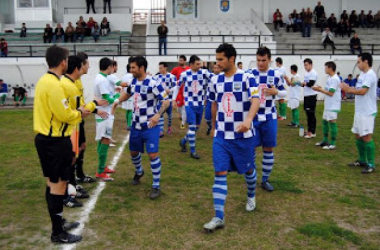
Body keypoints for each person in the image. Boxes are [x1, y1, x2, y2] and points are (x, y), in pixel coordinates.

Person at [34, 45, 90, 243]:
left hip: (48, 140)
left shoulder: (44, 80)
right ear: (63, 62)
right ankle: (58, 232)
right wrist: (81, 113)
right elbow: (65, 115)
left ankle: (59, 224)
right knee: (58, 187)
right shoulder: (55, 85)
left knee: (53, 184)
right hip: (55, 142)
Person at [203, 43, 260, 232]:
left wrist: (249, 120)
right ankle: (218, 216)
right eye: (216, 59)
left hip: (242, 136)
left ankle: (251, 194)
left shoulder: (247, 77)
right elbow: (213, 104)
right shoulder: (215, 80)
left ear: (231, 59)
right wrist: (212, 126)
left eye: (220, 59)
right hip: (221, 135)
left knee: (248, 171)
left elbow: (256, 99)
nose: (217, 63)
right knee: (219, 172)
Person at [113, 56, 170, 199]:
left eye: (133, 67)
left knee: (152, 154)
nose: (131, 70)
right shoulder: (133, 81)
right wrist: (118, 100)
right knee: (133, 152)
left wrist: (158, 115)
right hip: (135, 125)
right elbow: (128, 93)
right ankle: (139, 172)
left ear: (142, 68)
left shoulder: (154, 83)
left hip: (150, 125)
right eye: (130, 67)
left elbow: (166, 101)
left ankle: (156, 185)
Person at [246, 47, 286, 192]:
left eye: (263, 60)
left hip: (270, 117)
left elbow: (284, 92)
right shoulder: (249, 74)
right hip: (254, 117)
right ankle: (253, 177)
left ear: (270, 60)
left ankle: (265, 179)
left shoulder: (276, 74)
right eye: (258, 60)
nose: (260, 63)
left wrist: (277, 92)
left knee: (268, 148)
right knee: (251, 148)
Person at [340, 53, 377, 174]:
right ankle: (362, 160)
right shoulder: (362, 75)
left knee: (366, 136)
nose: (358, 64)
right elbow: (357, 89)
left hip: (367, 111)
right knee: (357, 134)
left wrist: (348, 89)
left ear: (366, 62)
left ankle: (371, 163)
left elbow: (362, 91)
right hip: (359, 111)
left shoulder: (370, 75)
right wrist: (348, 87)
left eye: (359, 61)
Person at [75, 52, 108, 184]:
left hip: (79, 119)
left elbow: (82, 103)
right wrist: (95, 108)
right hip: (74, 119)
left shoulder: (78, 80)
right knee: (76, 149)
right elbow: (79, 105)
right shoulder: (73, 82)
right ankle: (74, 179)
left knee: (82, 145)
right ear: (82, 65)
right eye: (87, 63)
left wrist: (95, 109)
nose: (89, 66)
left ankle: (80, 174)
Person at [179, 55, 212, 159]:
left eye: (200, 64)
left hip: (200, 104)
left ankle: (183, 141)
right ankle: (193, 151)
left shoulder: (204, 73)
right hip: (189, 104)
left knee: (196, 128)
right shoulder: (184, 74)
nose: (199, 66)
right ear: (191, 64)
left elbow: (216, 78)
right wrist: (173, 98)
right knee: (192, 127)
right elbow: (177, 86)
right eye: (197, 64)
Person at [93, 58, 120, 181]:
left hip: (104, 113)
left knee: (103, 139)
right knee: (105, 140)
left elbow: (107, 96)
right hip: (105, 114)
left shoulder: (100, 78)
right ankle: (100, 171)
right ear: (109, 67)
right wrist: (119, 97)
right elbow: (106, 98)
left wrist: (115, 94)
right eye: (112, 67)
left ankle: (103, 168)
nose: (113, 69)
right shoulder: (102, 80)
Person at [312, 61, 341, 150]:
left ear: (330, 68)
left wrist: (320, 90)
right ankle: (325, 140)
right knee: (324, 121)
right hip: (328, 104)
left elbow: (331, 93)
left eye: (326, 68)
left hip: (333, 105)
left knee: (332, 122)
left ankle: (333, 143)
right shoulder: (330, 78)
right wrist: (320, 88)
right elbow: (328, 90)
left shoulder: (335, 79)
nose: (325, 69)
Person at [155, 62, 177, 137]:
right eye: (159, 68)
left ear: (165, 68)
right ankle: (161, 131)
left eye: (161, 67)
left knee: (169, 116)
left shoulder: (171, 76)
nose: (160, 69)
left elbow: (176, 87)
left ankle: (169, 126)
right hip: (161, 100)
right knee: (160, 114)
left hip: (169, 100)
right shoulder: (157, 77)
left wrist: (169, 90)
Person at [171, 55, 190, 130]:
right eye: (179, 60)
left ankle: (183, 123)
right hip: (178, 91)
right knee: (179, 108)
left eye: (181, 60)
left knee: (184, 108)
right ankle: (182, 116)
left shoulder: (189, 69)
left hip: (187, 91)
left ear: (185, 61)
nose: (180, 61)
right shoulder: (176, 69)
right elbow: (170, 76)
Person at [302, 58, 318, 138]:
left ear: (311, 65)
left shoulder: (313, 73)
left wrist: (304, 83)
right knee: (307, 113)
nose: (305, 67)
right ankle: (309, 130)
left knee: (311, 113)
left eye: (306, 65)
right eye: (304, 65)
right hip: (306, 95)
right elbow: (305, 84)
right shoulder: (306, 73)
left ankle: (312, 131)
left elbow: (311, 83)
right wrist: (300, 83)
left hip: (312, 95)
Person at [204, 63, 221, 135]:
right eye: (215, 68)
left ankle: (216, 130)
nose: (216, 70)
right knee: (207, 118)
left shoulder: (222, 78)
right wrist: (205, 98)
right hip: (210, 100)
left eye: (217, 68)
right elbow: (208, 89)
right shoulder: (211, 77)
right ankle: (211, 126)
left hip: (218, 102)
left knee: (218, 117)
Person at [121, 62, 134, 131]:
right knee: (131, 109)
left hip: (124, 95)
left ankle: (128, 123)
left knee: (128, 110)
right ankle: (129, 125)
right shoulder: (131, 76)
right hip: (130, 95)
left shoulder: (124, 76)